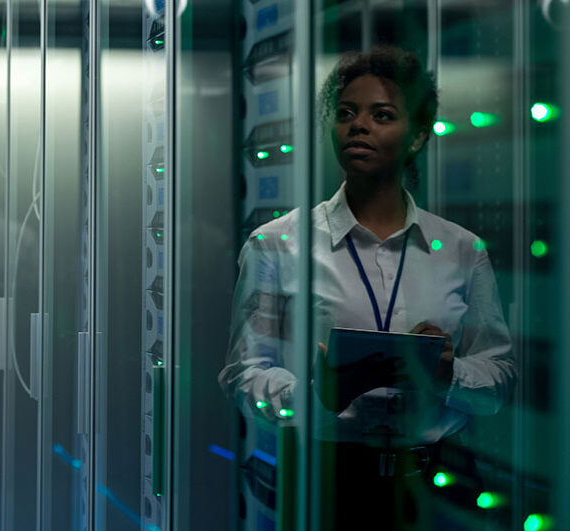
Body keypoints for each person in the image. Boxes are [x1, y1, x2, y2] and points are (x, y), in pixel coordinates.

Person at [219, 46, 514, 529]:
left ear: (418, 136)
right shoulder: (277, 245)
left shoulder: (461, 249)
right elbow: (241, 376)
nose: (359, 126)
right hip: (327, 478)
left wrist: (447, 376)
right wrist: (316, 393)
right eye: (346, 113)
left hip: (438, 479)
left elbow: (500, 377)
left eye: (382, 115)